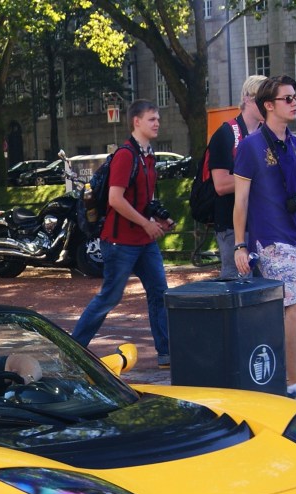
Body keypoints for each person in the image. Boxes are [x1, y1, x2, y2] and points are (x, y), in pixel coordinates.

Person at [233, 75, 296, 407]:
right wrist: (240, 245)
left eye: (295, 98)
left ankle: (269, 378)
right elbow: (241, 201)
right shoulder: (250, 146)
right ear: (269, 105)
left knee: (281, 312)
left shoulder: (293, 143)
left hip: (292, 239)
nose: (294, 103)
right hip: (269, 241)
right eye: (287, 98)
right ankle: (292, 383)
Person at [70, 99, 173, 367]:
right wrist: (146, 223)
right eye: (152, 119)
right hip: (119, 242)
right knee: (110, 297)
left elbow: (143, 199)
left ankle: (166, 353)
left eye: (158, 119)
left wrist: (159, 219)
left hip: (143, 241)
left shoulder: (148, 156)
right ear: (136, 122)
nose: (157, 123)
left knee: (159, 292)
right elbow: (116, 199)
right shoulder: (126, 155)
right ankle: (72, 349)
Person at [210, 75, 267, 277]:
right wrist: (259, 177)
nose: (269, 105)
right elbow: (221, 185)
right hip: (231, 226)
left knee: (268, 290)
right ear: (248, 99)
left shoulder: (267, 134)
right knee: (238, 285)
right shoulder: (226, 134)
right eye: (264, 98)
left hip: (263, 224)